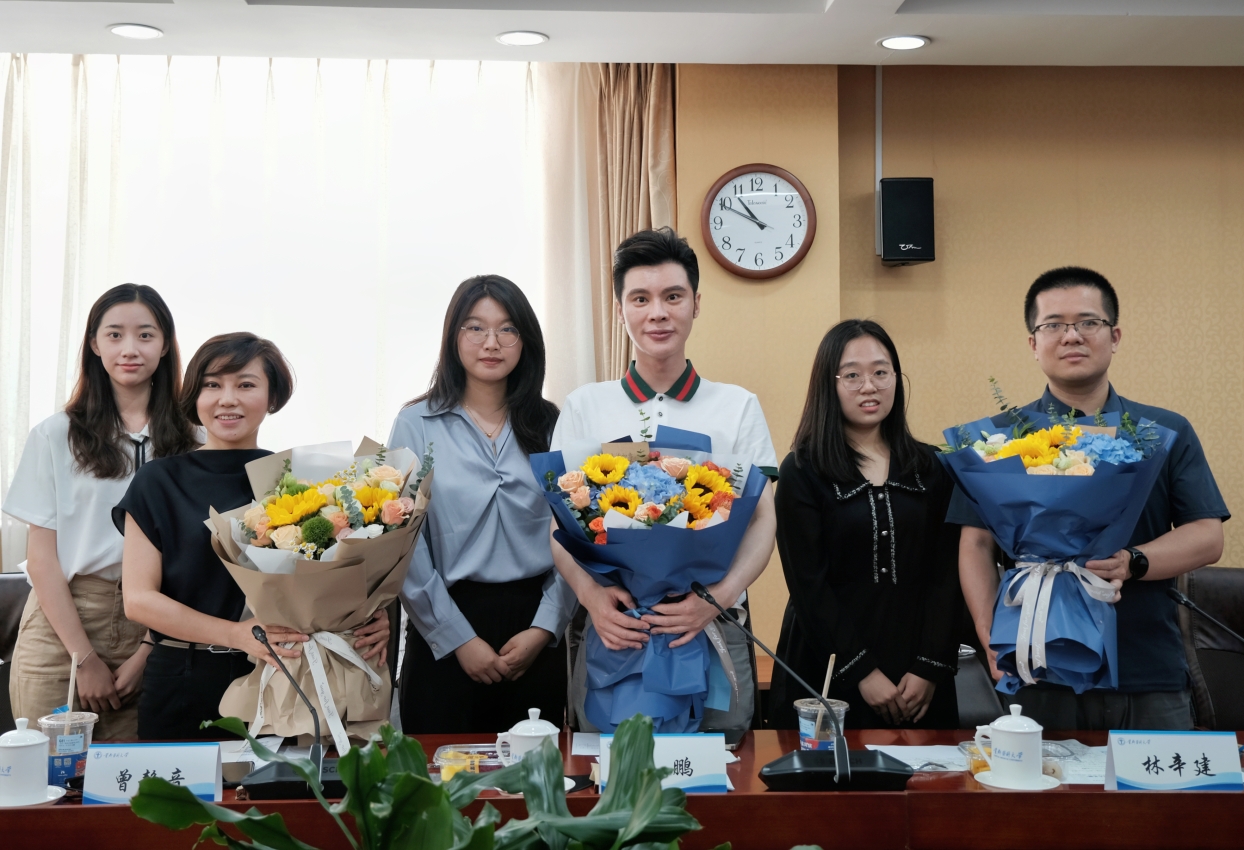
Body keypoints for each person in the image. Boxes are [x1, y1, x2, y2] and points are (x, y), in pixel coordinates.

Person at [952, 267, 1229, 731]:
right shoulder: (1001, 442)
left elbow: (1207, 535)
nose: (1071, 336)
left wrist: (1132, 562)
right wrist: (989, 635)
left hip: (1147, 669)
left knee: (1158, 782)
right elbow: (976, 544)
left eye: (1088, 322)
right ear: (1033, 343)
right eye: (1054, 325)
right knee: (1043, 780)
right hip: (1039, 664)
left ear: (1114, 336)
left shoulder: (1163, 432)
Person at [550, 227, 779, 733]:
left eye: (673, 296)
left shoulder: (737, 406)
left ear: (696, 304)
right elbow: (558, 527)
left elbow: (763, 521)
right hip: (614, 629)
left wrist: (716, 598)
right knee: (611, 772)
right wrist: (591, 597)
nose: (658, 312)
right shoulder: (585, 406)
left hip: (711, 625)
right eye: (641, 298)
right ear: (620, 310)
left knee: (719, 769)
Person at [117, 332, 390, 739]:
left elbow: (333, 582)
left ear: (271, 396)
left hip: (283, 678)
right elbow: (139, 600)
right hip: (183, 678)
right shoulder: (158, 480)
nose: (228, 399)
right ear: (194, 396)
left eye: (246, 385)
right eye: (212, 385)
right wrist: (235, 635)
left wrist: (368, 618)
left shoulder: (303, 481)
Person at [2, 284, 199, 739]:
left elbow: (197, 559)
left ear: (165, 345)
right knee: (50, 771)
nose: (130, 348)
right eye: (114, 335)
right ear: (94, 344)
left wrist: (149, 649)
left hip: (157, 623)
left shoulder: (195, 439)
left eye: (145, 335)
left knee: (137, 776)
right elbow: (42, 559)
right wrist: (84, 658)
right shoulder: (55, 434)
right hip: (63, 622)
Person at [389, 275, 576, 734]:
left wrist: (545, 628)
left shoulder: (554, 425)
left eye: (507, 329)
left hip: (534, 630)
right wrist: (456, 638)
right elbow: (402, 543)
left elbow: (577, 532)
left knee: (537, 774)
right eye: (475, 328)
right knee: (438, 775)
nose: (491, 343)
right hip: (443, 629)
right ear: (453, 337)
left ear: (526, 340)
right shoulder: (415, 423)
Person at [768, 320, 961, 730]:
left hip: (919, 674)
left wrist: (929, 667)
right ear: (828, 384)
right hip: (826, 667)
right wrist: (862, 671)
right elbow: (808, 586)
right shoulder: (802, 471)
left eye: (881, 372)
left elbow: (947, 574)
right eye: (852, 375)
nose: (869, 386)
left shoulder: (932, 467)